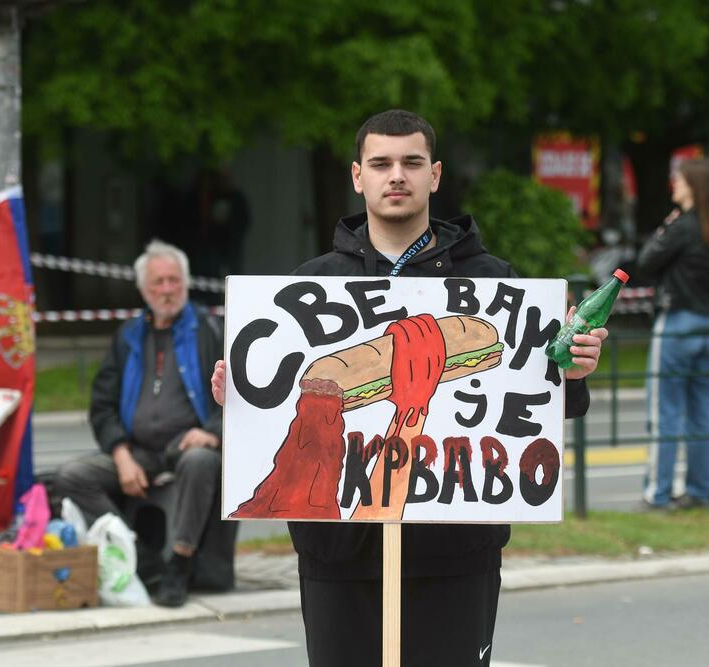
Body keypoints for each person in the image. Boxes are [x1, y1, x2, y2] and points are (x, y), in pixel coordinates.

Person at [211, 109, 607, 667]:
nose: (396, 175)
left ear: (435, 175)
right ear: (358, 176)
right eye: (381, 163)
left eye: (411, 163)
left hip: (454, 551)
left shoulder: (496, 282)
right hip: (338, 550)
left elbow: (534, 404)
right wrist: (243, 401)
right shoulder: (310, 283)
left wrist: (574, 374)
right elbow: (277, 423)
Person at [55, 240, 225, 607]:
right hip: (138, 451)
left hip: (187, 448)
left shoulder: (210, 331)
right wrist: (120, 454)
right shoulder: (129, 336)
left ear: (186, 282)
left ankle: (179, 564)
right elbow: (101, 406)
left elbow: (245, 394)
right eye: (158, 282)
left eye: (173, 281)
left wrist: (212, 432)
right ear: (143, 289)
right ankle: (143, 561)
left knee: (200, 461)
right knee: (71, 475)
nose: (166, 290)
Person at [637, 159, 709, 510]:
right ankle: (700, 491)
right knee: (703, 411)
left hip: (679, 324)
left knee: (665, 411)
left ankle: (658, 493)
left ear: (694, 186)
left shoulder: (682, 227)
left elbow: (646, 263)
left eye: (679, 180)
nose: (674, 185)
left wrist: (664, 228)